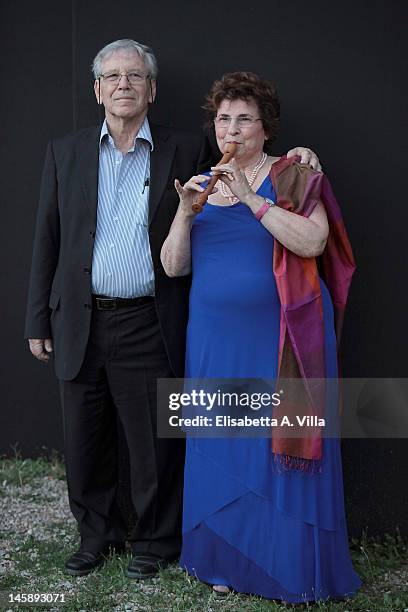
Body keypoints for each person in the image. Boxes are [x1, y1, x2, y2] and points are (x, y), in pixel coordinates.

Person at [24, 39, 319, 579]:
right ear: (96, 89)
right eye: (111, 76)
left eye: (134, 76)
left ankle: (155, 544)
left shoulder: (187, 149)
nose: (123, 85)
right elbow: (48, 238)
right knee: (84, 440)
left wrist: (301, 158)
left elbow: (248, 160)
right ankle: (96, 536)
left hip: (149, 317)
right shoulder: (64, 152)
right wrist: (37, 317)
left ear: (152, 89)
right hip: (79, 317)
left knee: (154, 442)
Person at [160, 71, 361, 602]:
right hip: (213, 342)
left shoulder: (292, 174)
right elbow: (174, 267)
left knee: (272, 454)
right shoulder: (201, 184)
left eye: (244, 118)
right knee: (223, 450)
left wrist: (252, 198)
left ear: (265, 128)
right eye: (223, 119)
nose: (232, 129)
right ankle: (223, 561)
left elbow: (314, 241)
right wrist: (184, 215)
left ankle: (281, 568)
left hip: (280, 344)